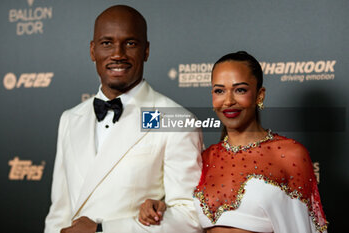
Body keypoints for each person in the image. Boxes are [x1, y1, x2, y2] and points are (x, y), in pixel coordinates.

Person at [44, 5, 203, 233]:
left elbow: (190, 217)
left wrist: (102, 229)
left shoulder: (174, 119)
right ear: (92, 50)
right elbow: (58, 214)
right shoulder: (70, 118)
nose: (117, 54)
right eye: (106, 43)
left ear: (146, 51)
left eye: (130, 43)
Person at [139, 51, 328, 233]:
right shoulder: (205, 157)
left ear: (259, 95)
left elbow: (303, 227)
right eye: (219, 91)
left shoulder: (290, 154)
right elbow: (186, 216)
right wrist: (160, 207)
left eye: (240, 90)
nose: (228, 101)